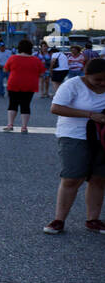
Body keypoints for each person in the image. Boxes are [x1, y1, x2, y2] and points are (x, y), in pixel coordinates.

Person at [43, 57, 105, 234]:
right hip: (73, 134)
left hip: (100, 136)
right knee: (72, 177)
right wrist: (90, 115)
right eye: (98, 80)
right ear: (86, 75)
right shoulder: (72, 85)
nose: (102, 83)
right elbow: (55, 108)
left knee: (99, 178)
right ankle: (58, 220)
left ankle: (93, 219)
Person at [4, 40, 42, 132]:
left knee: (13, 104)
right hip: (30, 85)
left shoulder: (13, 58)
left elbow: (5, 69)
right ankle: (24, 127)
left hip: (14, 83)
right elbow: (41, 71)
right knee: (25, 105)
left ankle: (10, 125)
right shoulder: (36, 60)